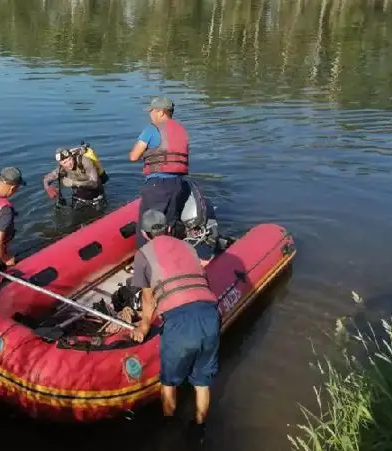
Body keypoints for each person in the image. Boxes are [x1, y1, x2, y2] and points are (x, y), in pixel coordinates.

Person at [128, 209, 220, 440]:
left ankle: (168, 430)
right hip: (209, 314)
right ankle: (199, 428)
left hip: (180, 321)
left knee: (169, 383)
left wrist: (144, 326)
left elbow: (148, 298)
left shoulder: (143, 254)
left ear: (144, 233)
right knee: (202, 382)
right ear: (168, 228)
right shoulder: (188, 247)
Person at [128, 96, 191, 248]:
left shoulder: (152, 129)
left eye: (152, 111)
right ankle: (170, 257)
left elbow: (133, 156)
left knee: (148, 224)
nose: (150, 115)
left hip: (158, 185)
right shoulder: (181, 130)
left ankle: (146, 260)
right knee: (170, 223)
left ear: (161, 112)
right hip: (178, 185)